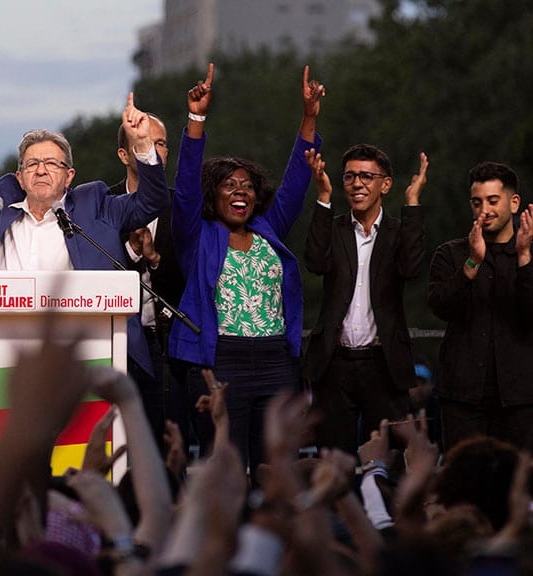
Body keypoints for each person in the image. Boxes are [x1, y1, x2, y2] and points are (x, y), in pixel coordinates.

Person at [0, 60, 168, 382]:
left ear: (69, 176)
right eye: (31, 164)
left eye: (51, 163)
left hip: (86, 351)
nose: (41, 170)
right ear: (19, 176)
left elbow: (153, 201)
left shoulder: (97, 205)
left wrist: (143, 146)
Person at [168, 64, 325, 479]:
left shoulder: (269, 231)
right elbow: (184, 186)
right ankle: (221, 542)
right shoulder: (196, 236)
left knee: (278, 468)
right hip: (221, 362)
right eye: (230, 185)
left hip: (276, 361)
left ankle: (274, 542)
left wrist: (309, 117)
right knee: (226, 466)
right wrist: (197, 118)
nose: (241, 191)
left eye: (248, 186)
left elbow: (294, 184)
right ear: (213, 195)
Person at [304, 144, 428, 456]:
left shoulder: (399, 231)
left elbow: (412, 269)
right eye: (349, 177)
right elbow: (315, 263)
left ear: (385, 184)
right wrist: (323, 197)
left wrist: (412, 203)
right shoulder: (333, 228)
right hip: (334, 364)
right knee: (333, 461)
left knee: (388, 459)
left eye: (366, 176)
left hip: (384, 365)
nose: (357, 183)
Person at [428, 161, 533, 452]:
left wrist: (524, 257)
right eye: (477, 202)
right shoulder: (451, 253)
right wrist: (472, 263)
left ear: (514, 203)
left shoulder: (530, 253)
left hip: (522, 399)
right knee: (464, 486)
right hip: (462, 398)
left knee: (521, 488)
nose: (483, 210)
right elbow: (439, 306)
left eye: (492, 201)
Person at [108, 114, 184, 450]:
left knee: (171, 446)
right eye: (142, 143)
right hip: (118, 345)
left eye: (160, 143)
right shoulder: (103, 205)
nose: (153, 150)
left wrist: (154, 260)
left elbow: (192, 277)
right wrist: (131, 252)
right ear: (124, 155)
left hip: (173, 348)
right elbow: (96, 273)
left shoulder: (181, 205)